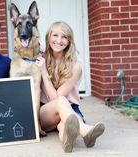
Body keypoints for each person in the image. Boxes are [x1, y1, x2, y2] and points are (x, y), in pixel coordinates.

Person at [36, 21, 105, 153]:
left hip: (69, 108)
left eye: (64, 37)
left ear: (69, 41)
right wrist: (44, 71)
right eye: (55, 35)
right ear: (48, 37)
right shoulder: (41, 58)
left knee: (66, 126)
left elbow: (58, 96)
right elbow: (54, 100)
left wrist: (44, 72)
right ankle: (85, 130)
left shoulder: (75, 66)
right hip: (46, 111)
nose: (59, 40)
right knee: (62, 102)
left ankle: (67, 141)